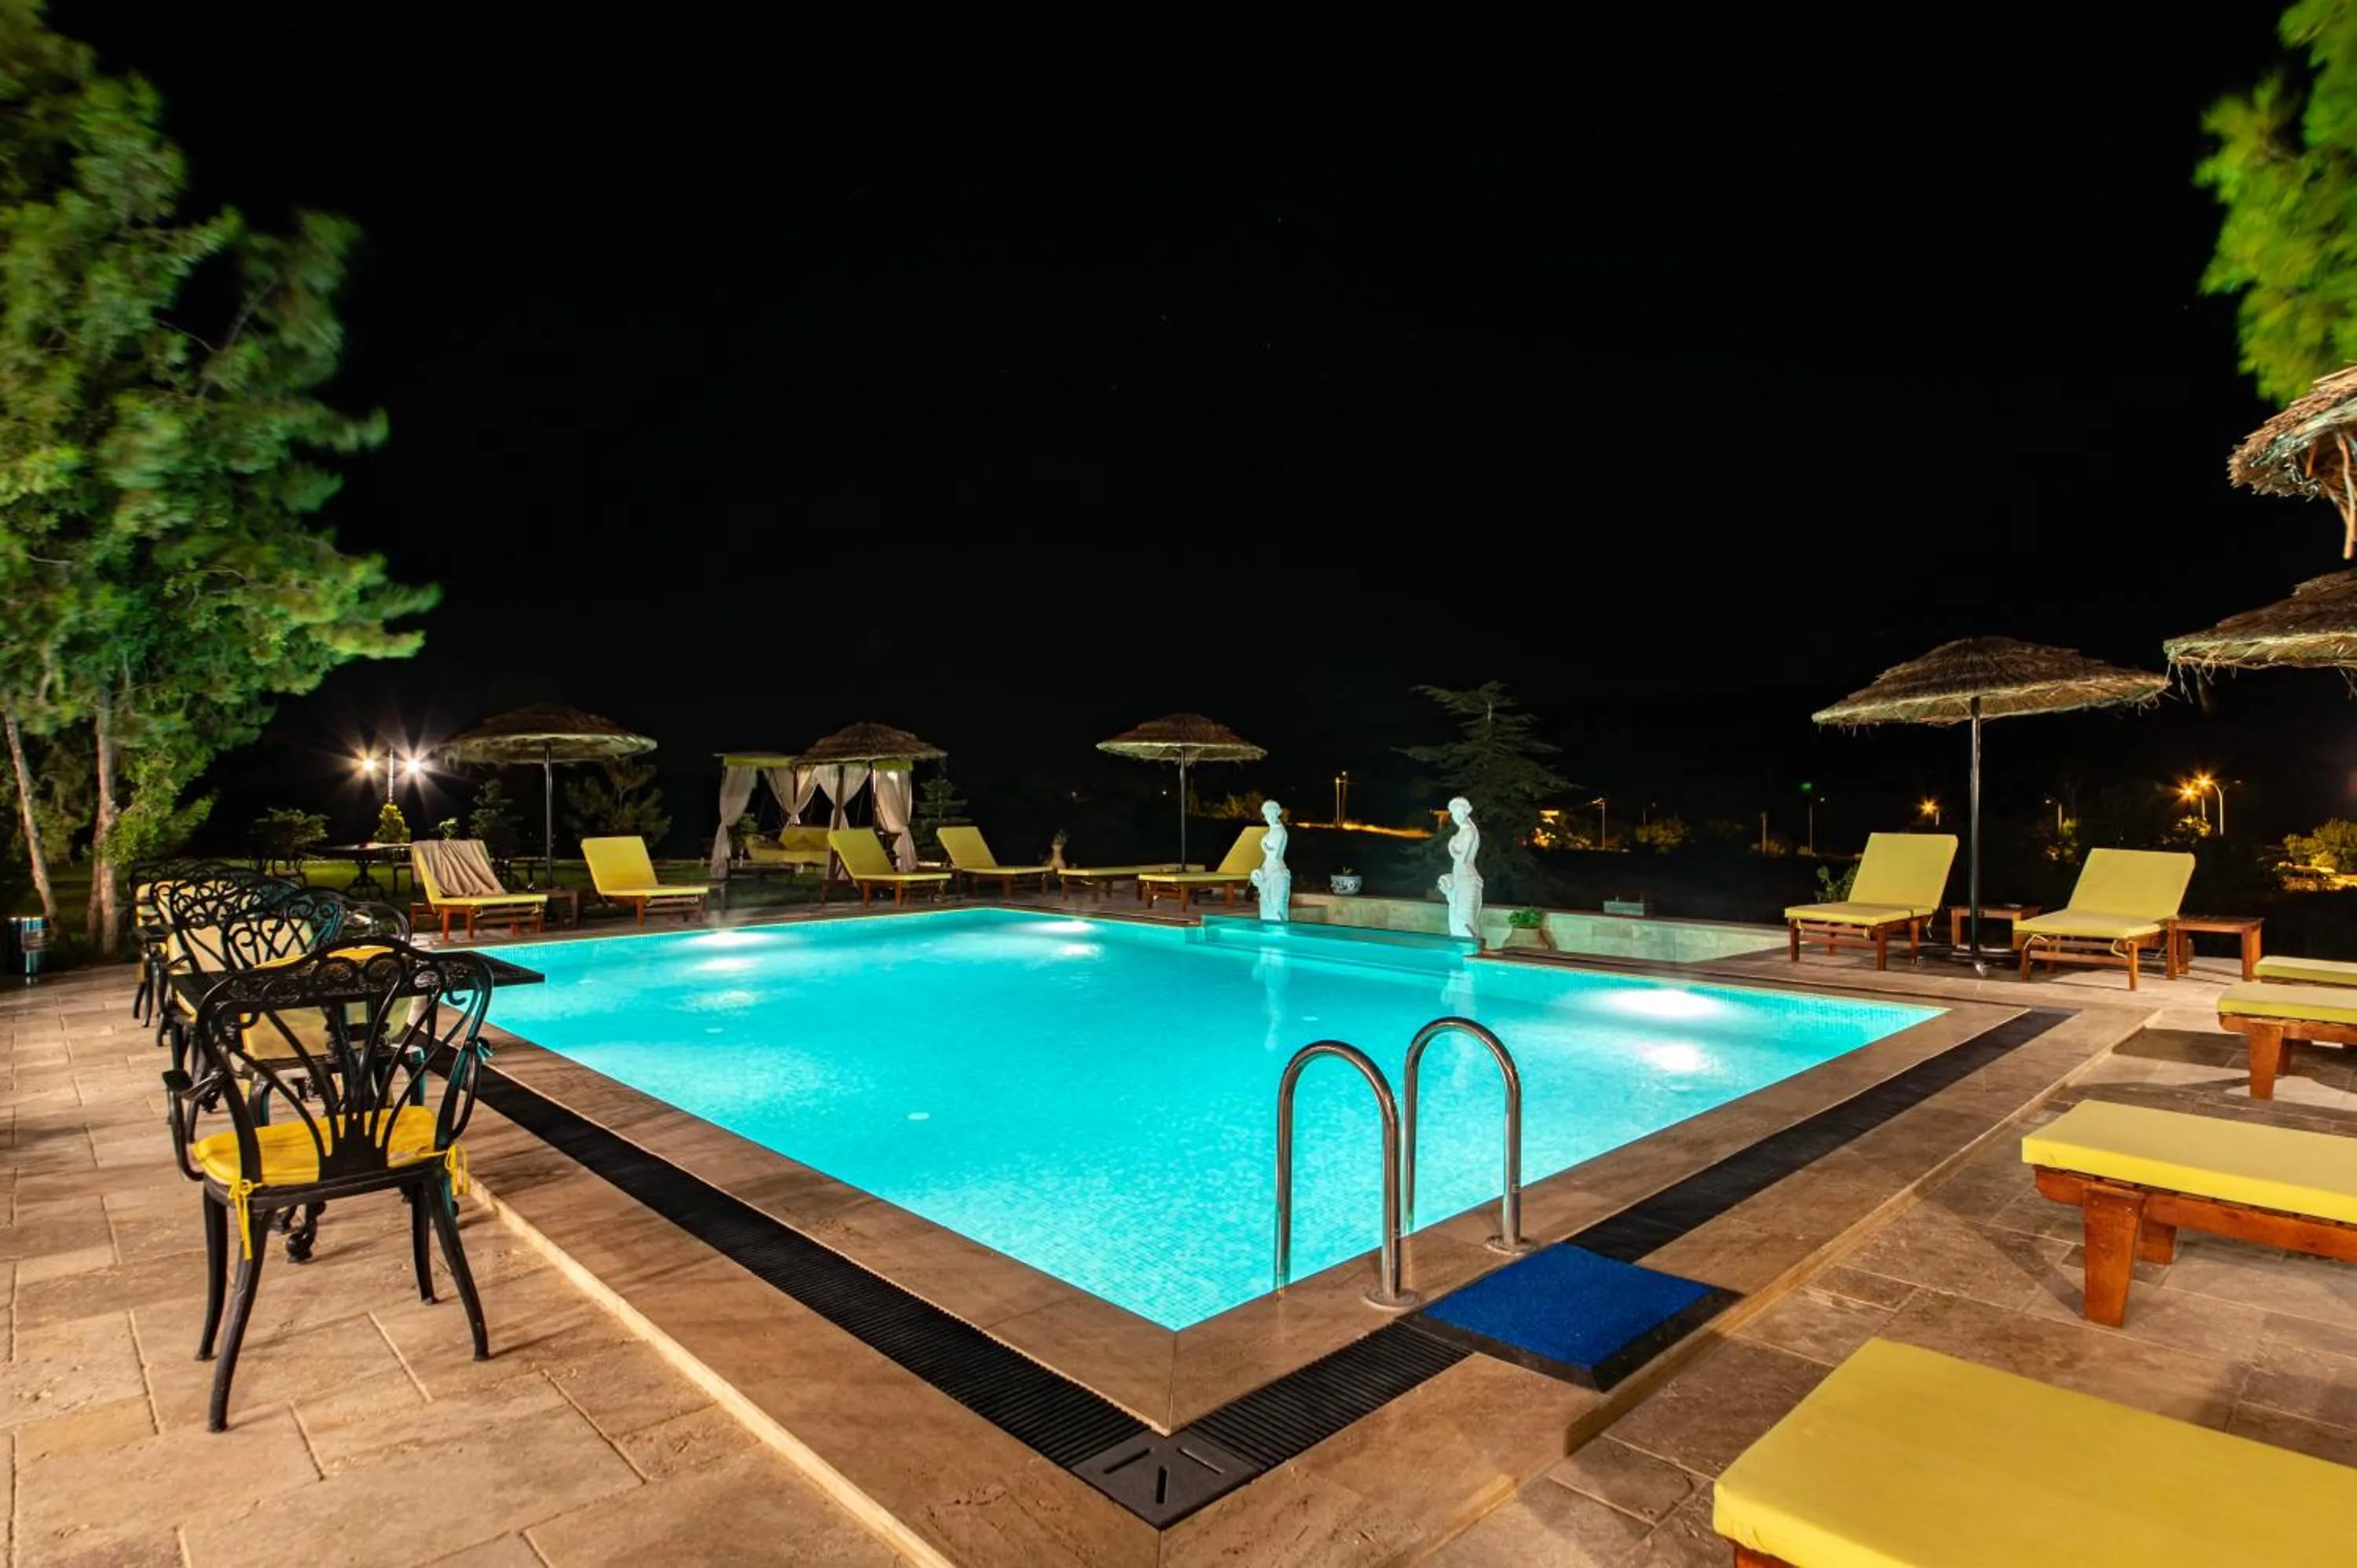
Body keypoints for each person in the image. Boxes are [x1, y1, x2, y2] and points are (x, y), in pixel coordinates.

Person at [1438, 795, 1483, 940]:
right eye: (1454, 814)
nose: (1457, 817)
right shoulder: (1462, 831)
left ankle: (1469, 951)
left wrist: (1451, 846)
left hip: (1467, 880)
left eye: (1460, 813)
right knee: (1458, 925)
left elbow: (1462, 858)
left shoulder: (1469, 831)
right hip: (1460, 879)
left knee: (1466, 925)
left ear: (1465, 813)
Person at [1249, 798, 1291, 922]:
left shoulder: (1280, 832)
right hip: (1268, 871)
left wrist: (1264, 845)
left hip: (1278, 873)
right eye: (1268, 816)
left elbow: (1275, 854)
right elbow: (1268, 857)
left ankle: (1281, 933)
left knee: (1278, 907)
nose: (1271, 819)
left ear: (1277, 815)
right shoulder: (1268, 834)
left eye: (1273, 815)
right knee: (1267, 909)